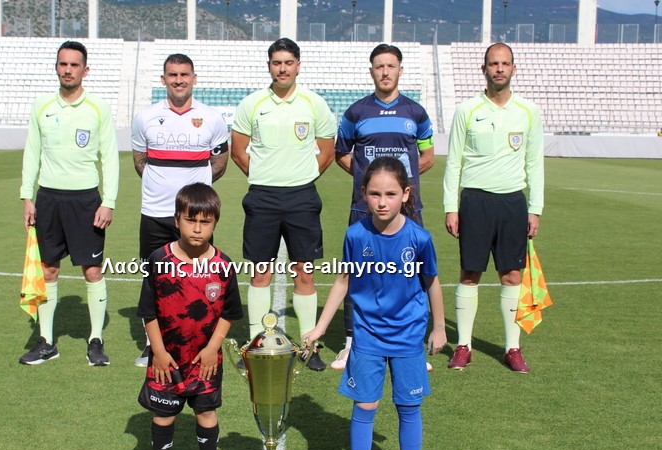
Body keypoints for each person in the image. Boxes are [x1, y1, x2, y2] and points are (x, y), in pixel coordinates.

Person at [304, 157, 445, 450]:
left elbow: (432, 282)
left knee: (409, 407)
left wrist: (440, 327)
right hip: (367, 335)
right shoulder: (355, 235)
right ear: (364, 194)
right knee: (365, 406)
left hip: (409, 336)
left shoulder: (419, 238)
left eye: (390, 194)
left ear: (406, 194)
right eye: (375, 194)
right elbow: (343, 281)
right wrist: (321, 327)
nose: (382, 202)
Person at [230, 38, 336, 371]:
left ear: (298, 65)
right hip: (262, 197)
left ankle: (309, 345)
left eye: (288, 62)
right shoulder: (252, 104)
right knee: (260, 272)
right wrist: (265, 177)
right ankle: (255, 344)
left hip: (302, 197)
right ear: (269, 66)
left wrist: (300, 178)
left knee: (305, 273)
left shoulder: (314, 103)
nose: (283, 68)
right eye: (277, 62)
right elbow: (238, 151)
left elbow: (327, 152)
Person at [443, 42, 544, 374]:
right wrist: (451, 206)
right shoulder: (467, 110)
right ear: (483, 68)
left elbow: (535, 163)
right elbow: (454, 161)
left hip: (512, 202)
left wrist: (535, 208)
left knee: (512, 275)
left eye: (505, 63)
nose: (499, 68)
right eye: (493, 63)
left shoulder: (528, 111)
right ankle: (463, 346)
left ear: (513, 68)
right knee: (470, 273)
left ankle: (512, 348)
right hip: (475, 201)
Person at [137, 183, 243, 450]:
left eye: (205, 222)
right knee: (163, 415)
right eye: (190, 220)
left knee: (206, 414)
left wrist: (213, 348)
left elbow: (229, 313)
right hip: (166, 360)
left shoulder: (223, 266)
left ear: (215, 223)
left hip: (205, 361)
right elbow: (148, 312)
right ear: (176, 220)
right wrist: (158, 351)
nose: (197, 229)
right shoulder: (159, 260)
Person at [333, 43, 435, 370]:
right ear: (371, 71)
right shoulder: (356, 113)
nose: (385, 72)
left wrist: (398, 188)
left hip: (408, 210)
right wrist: (369, 182)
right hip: (364, 209)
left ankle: (413, 344)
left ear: (400, 70)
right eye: (379, 66)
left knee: (411, 274)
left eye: (391, 66)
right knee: (358, 274)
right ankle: (351, 344)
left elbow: (427, 156)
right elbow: (341, 153)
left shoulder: (416, 113)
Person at [18, 40, 119, 367]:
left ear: (85, 70)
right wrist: (27, 195)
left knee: (92, 270)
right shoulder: (42, 105)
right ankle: (47, 342)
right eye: (63, 64)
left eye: (74, 65)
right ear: (56, 67)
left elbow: (110, 157)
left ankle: (95, 341)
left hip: (86, 200)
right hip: (48, 198)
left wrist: (108, 201)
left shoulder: (98, 108)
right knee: (48, 269)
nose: (68, 70)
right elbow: (32, 151)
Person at [131, 53, 230, 368]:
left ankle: (198, 340)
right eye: (172, 75)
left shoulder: (212, 118)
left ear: (194, 78)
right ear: (163, 79)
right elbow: (139, 161)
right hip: (155, 212)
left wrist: (194, 195)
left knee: (199, 275)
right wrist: (161, 187)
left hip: (195, 215)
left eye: (184, 74)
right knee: (155, 278)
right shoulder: (145, 118)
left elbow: (220, 162)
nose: (178, 80)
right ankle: (153, 345)